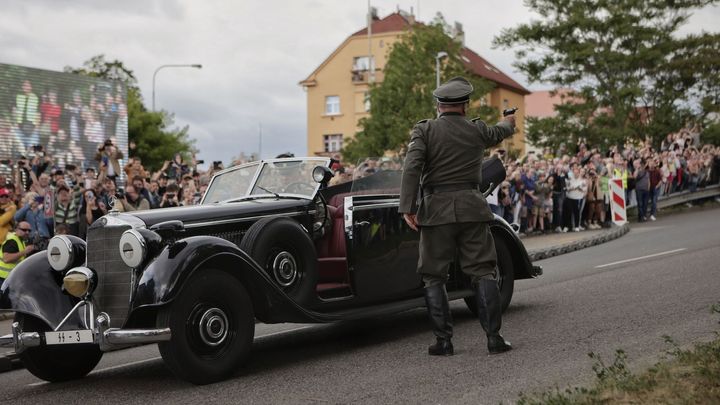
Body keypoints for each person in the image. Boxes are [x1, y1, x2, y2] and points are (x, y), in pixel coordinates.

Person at [399, 76, 515, 356]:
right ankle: (494, 338)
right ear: (465, 106)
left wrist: (407, 207)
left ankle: (444, 342)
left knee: (433, 276)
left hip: (436, 211)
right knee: (483, 271)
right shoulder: (476, 129)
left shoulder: (424, 131)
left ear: (438, 105)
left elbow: (411, 168)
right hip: (471, 208)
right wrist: (509, 123)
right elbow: (499, 132)